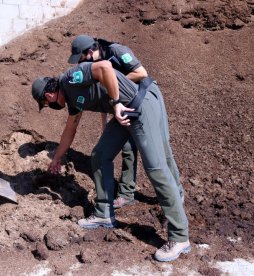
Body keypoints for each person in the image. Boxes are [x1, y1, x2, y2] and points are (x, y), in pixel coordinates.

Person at [31, 59, 191, 262]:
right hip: (124, 113)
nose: (50, 107)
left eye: (46, 104)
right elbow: (69, 131)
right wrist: (57, 158)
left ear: (48, 96)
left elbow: (105, 66)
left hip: (139, 106)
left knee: (156, 169)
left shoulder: (72, 78)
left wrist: (115, 103)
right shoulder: (72, 101)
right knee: (100, 155)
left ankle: (179, 237)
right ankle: (104, 213)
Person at [68, 35, 184, 209]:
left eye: (82, 58)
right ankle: (126, 193)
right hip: (123, 104)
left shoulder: (116, 51)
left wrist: (113, 83)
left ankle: (177, 192)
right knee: (128, 148)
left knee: (162, 146)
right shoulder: (95, 64)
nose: (81, 63)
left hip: (146, 97)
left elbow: (141, 73)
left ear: (91, 51)